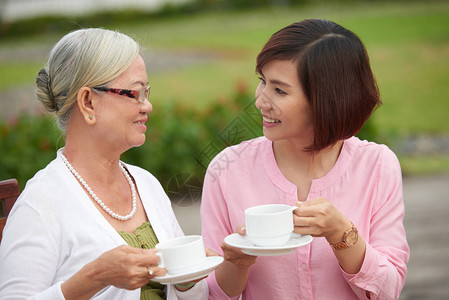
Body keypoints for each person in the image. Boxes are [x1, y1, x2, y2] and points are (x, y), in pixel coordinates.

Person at [201, 19, 410, 299]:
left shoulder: (377, 166)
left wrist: (341, 233)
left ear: (326, 100)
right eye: (262, 81)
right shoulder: (227, 170)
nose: (260, 100)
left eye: (279, 90)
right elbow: (209, 295)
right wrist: (236, 263)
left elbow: (388, 290)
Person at [0, 28, 208, 300]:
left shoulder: (145, 184)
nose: (148, 106)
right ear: (88, 102)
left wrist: (187, 281)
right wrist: (95, 277)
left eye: (147, 92)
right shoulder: (40, 205)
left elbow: (194, 295)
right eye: (135, 93)